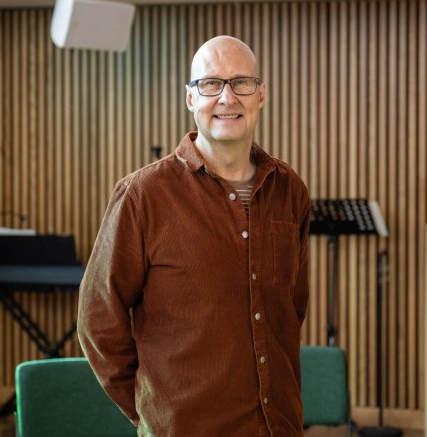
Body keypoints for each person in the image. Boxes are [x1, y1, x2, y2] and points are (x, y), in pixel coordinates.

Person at [77, 35, 311, 436]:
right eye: (210, 84)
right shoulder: (142, 195)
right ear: (190, 99)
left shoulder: (289, 190)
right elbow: (98, 321)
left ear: (261, 95)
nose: (226, 97)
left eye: (241, 82)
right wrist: (152, 409)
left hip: (277, 427)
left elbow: (291, 309)